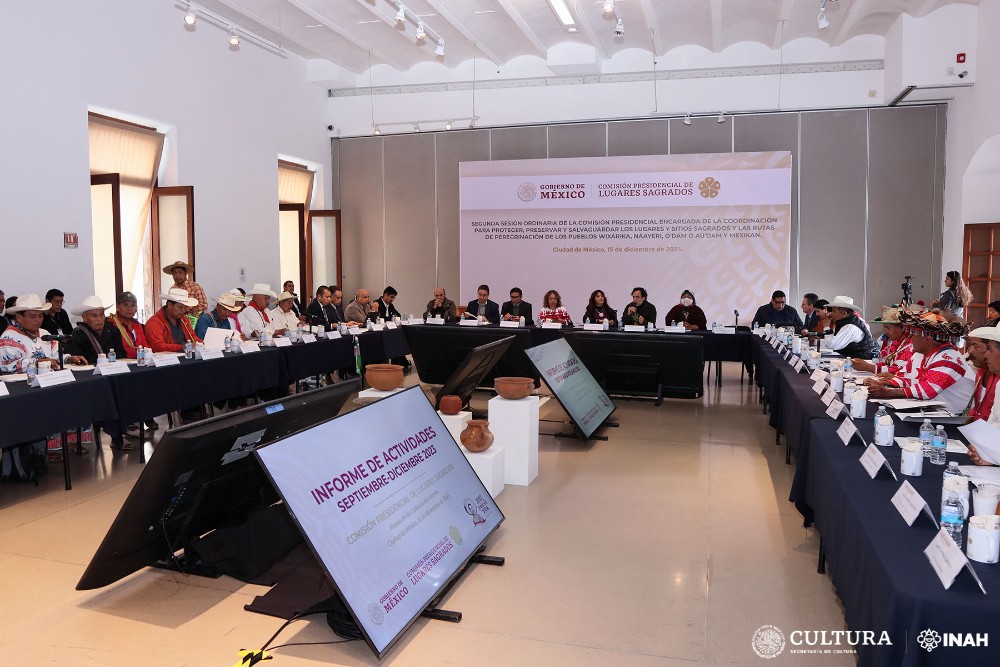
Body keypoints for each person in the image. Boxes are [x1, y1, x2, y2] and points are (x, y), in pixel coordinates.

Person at [865, 311, 974, 414]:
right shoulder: (920, 354)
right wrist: (883, 383)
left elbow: (927, 390)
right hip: (935, 412)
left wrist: (887, 392)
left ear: (928, 338)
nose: (911, 338)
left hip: (956, 418)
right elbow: (906, 377)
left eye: (915, 334)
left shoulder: (949, 358)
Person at [0, 294, 69, 373]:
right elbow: (9, 366)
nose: (38, 320)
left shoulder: (44, 333)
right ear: (18, 317)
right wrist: (36, 363)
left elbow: (55, 356)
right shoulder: (9, 337)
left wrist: (68, 359)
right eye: (32, 317)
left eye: (40, 316)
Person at [852, 306, 914, 378]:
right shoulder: (895, 342)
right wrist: (866, 365)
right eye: (884, 327)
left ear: (901, 327)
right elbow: (885, 363)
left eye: (888, 328)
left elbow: (901, 371)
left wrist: (868, 367)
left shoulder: (910, 345)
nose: (885, 331)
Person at [65, 295, 124, 364]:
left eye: (101, 315)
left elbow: (121, 353)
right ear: (84, 318)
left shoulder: (113, 330)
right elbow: (78, 361)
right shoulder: (77, 335)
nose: (99, 319)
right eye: (94, 316)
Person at [145, 287, 202, 352]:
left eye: (185, 307)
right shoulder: (154, 323)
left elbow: (192, 336)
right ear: (169, 305)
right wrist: (181, 347)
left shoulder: (183, 319)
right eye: (180, 307)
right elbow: (158, 346)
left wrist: (201, 343)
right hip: (166, 360)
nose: (183, 311)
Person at [963, 328, 999, 422]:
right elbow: (977, 410)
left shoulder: (998, 379)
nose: (970, 351)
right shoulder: (980, 373)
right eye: (970, 346)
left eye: (975, 346)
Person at [106, 292, 149, 359]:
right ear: (117, 307)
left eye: (132, 305)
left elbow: (146, 347)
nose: (129, 309)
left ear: (136, 308)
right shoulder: (111, 324)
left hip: (140, 361)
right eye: (125, 305)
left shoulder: (137, 324)